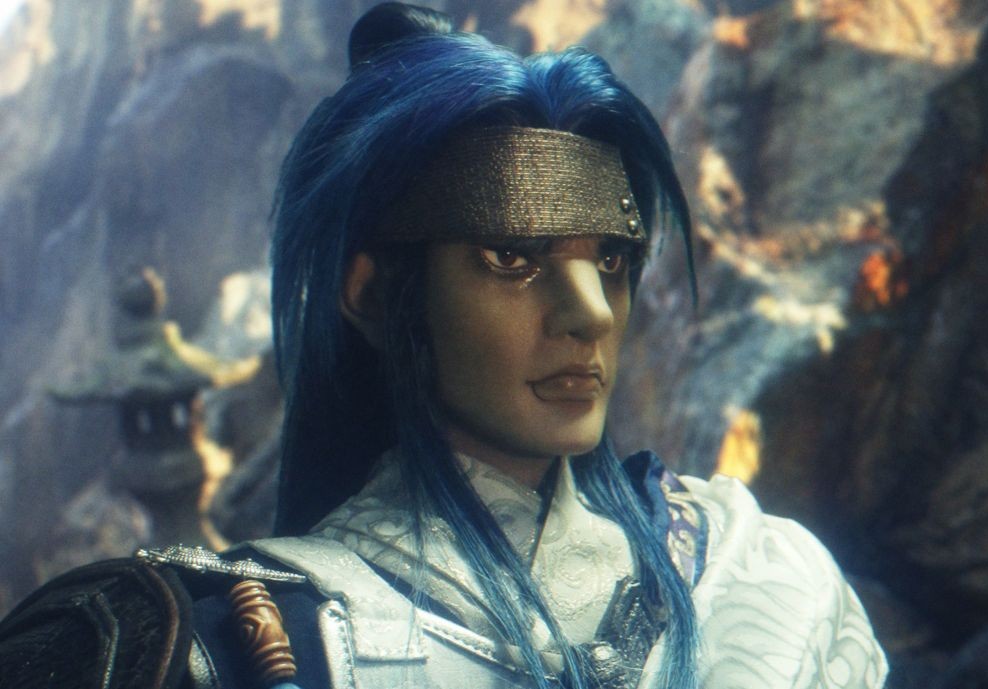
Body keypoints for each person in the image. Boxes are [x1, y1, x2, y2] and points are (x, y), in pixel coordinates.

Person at [0, 4, 887, 688]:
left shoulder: (759, 573)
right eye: (512, 258)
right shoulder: (209, 639)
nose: (590, 313)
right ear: (372, 296)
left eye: (610, 260)